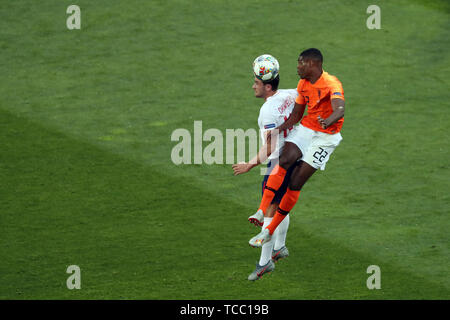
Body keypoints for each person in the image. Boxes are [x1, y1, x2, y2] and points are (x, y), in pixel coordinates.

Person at [248, 48, 346, 247]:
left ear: (312, 65)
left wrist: (328, 121)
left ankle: (269, 230)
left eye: (300, 63)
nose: (297, 67)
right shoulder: (303, 84)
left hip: (327, 137)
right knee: (284, 159)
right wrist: (278, 130)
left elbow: (340, 108)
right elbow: (296, 116)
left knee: (295, 182)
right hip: (308, 127)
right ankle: (261, 210)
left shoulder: (331, 83)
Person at [232, 55, 298, 280]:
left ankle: (264, 263)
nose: (253, 86)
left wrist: (249, 164)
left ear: (268, 86)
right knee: (281, 204)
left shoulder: (268, 112)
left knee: (269, 210)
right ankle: (280, 247)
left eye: (257, 83)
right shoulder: (290, 94)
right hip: (296, 156)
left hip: (279, 162)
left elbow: (269, 147)